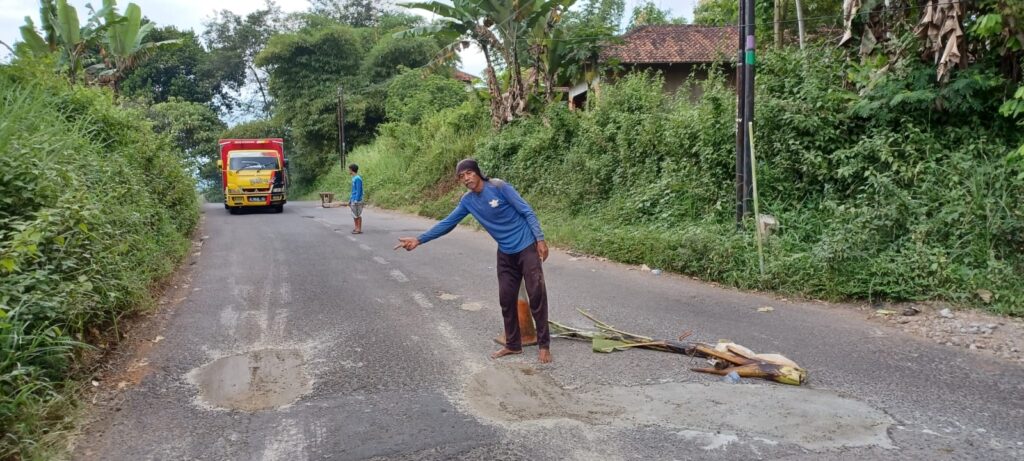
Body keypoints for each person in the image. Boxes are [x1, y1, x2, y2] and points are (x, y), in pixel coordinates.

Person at [394, 159, 552, 364]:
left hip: (526, 247)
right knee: (506, 299)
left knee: (536, 295)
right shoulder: (467, 201)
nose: (466, 178)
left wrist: (540, 239)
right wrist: (419, 239)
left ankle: (544, 345)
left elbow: (527, 211)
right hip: (505, 253)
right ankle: (513, 345)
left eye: (468, 173)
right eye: (461, 176)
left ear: (477, 173)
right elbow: (448, 223)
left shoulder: (499, 187)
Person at [348, 164, 363, 234]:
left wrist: (356, 200)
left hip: (357, 200)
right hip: (353, 199)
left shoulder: (358, 178)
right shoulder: (354, 178)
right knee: (354, 214)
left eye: (349, 169)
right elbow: (353, 190)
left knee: (357, 214)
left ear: (351, 170)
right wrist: (350, 199)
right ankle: (356, 227)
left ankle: (359, 229)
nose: (348, 171)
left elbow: (359, 190)